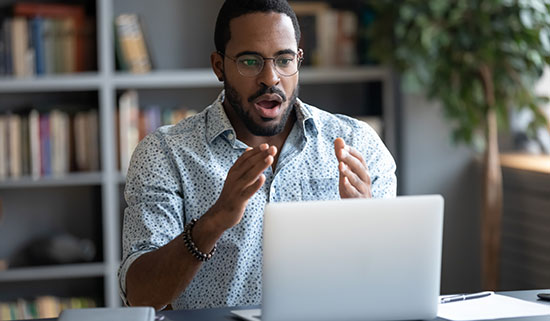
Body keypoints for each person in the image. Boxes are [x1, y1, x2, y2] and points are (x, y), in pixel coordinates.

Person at [118, 0, 396, 311]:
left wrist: (368, 227)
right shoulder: (165, 154)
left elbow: (393, 286)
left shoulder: (359, 144)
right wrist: (214, 221)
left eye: (284, 60)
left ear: (299, 60)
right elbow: (142, 296)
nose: (270, 78)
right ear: (218, 66)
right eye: (250, 62)